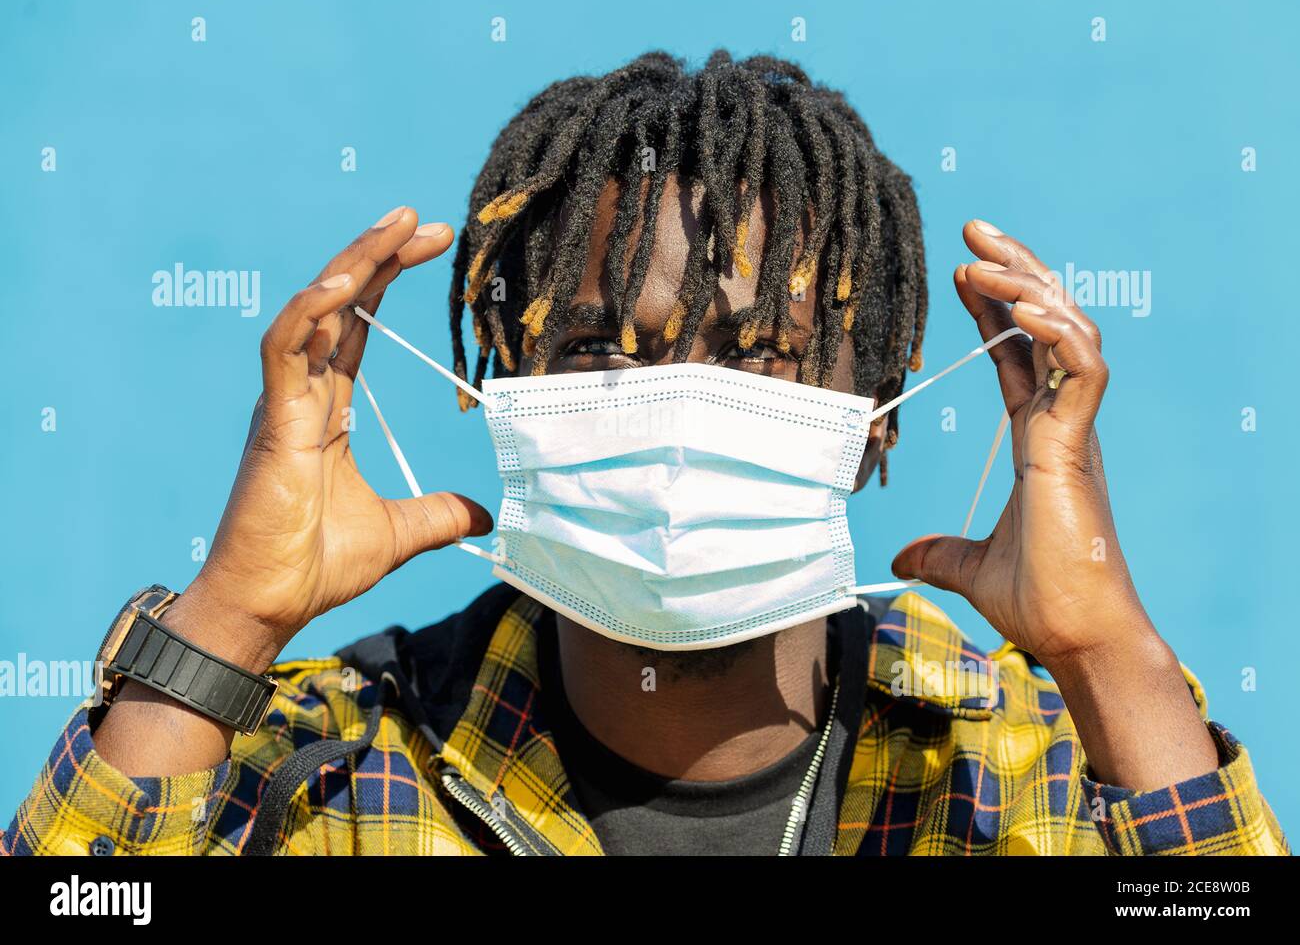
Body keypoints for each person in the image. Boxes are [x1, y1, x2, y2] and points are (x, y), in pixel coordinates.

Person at [2, 50, 1286, 856]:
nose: (679, 411)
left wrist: (1104, 651)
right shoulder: (314, 766)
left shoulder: (1041, 766)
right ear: (500, 390)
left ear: (875, 414)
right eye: (601, 355)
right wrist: (228, 618)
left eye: (759, 355)